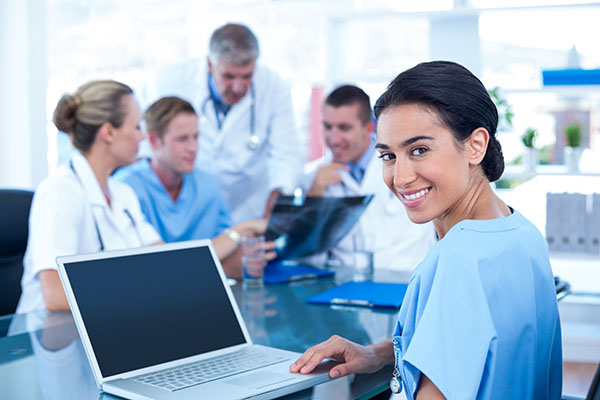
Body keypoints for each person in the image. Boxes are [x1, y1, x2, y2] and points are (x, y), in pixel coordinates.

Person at [290, 61, 562, 399]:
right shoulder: (521, 232)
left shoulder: (457, 259)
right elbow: (467, 337)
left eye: (419, 150)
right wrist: (376, 354)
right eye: (388, 156)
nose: (400, 178)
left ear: (475, 145)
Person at [17, 80, 162, 314]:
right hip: (52, 338)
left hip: (109, 327)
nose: (142, 137)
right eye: (137, 127)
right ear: (108, 132)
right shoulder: (60, 191)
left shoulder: (123, 194)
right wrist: (141, 292)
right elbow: (55, 295)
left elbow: (163, 262)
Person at [146, 23, 304, 223]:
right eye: (228, 76)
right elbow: (149, 144)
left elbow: (287, 153)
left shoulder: (274, 86)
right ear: (210, 65)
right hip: (189, 204)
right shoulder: (170, 79)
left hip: (250, 207)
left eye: (246, 76)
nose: (238, 87)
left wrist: (281, 190)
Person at [115, 96, 271, 277]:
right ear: (154, 141)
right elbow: (149, 268)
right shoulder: (126, 188)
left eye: (196, 137)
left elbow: (231, 254)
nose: (193, 147)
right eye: (182, 139)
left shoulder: (206, 185)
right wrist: (240, 233)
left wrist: (247, 258)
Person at [303, 85, 435, 271]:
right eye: (327, 127)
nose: (334, 138)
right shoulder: (315, 177)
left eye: (344, 128)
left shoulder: (405, 166)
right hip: (345, 286)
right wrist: (315, 196)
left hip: (404, 279)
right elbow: (306, 255)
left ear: (369, 128)